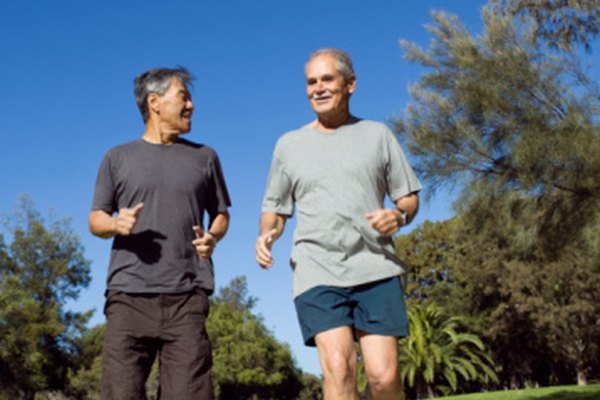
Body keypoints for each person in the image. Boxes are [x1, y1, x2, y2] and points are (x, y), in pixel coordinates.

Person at [256, 48, 421, 400]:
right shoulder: (289, 145)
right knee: (339, 365)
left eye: (326, 79)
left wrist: (399, 215)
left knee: (384, 375)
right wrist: (267, 233)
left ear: (350, 84)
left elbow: (408, 197)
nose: (317, 88)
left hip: (375, 266)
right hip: (316, 268)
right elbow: (275, 208)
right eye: (311, 82)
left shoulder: (378, 135)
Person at [89, 67, 231, 400]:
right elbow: (95, 219)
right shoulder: (117, 157)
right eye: (184, 97)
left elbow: (222, 214)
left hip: (187, 298)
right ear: (155, 102)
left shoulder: (204, 157)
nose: (192, 105)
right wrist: (115, 224)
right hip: (128, 298)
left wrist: (214, 236)